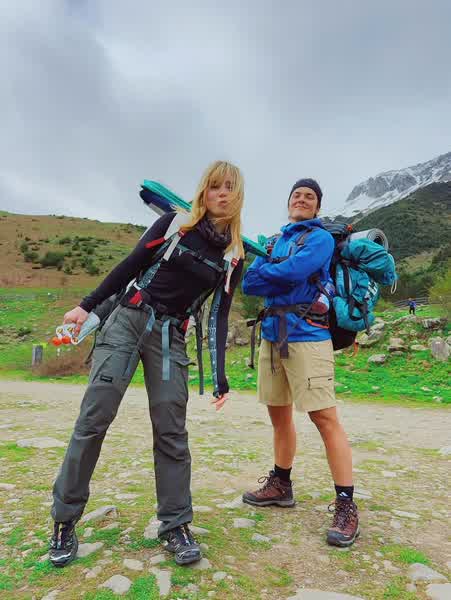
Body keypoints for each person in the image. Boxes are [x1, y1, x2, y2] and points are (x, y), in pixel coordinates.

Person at [48, 161, 245, 567]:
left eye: (229, 187)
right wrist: (85, 307)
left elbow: (219, 316)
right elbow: (130, 266)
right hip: (128, 319)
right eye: (214, 187)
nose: (221, 194)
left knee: (172, 430)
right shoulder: (174, 225)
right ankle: (64, 520)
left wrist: (221, 375)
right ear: (203, 191)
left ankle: (176, 525)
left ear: (238, 195)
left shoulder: (234, 255)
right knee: (94, 419)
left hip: (170, 336)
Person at [241, 178, 359, 548]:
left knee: (325, 418)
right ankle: (281, 484)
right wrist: (278, 271)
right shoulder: (273, 241)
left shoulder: (320, 239)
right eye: (297, 195)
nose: (302, 199)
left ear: (317, 206)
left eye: (310, 196)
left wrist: (274, 273)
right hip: (273, 334)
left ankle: (346, 504)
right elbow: (249, 283)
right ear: (289, 202)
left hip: (308, 334)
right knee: (278, 415)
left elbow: (291, 273)